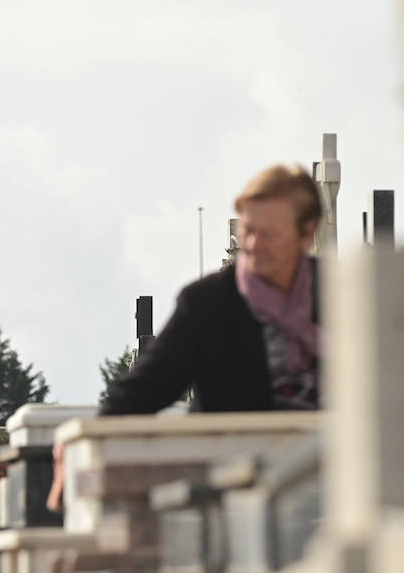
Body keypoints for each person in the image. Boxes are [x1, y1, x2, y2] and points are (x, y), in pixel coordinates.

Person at [101, 163, 322, 414]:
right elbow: (138, 395)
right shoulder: (206, 305)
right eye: (248, 230)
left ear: (306, 233)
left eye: (269, 234)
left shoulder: (346, 295)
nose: (253, 245)